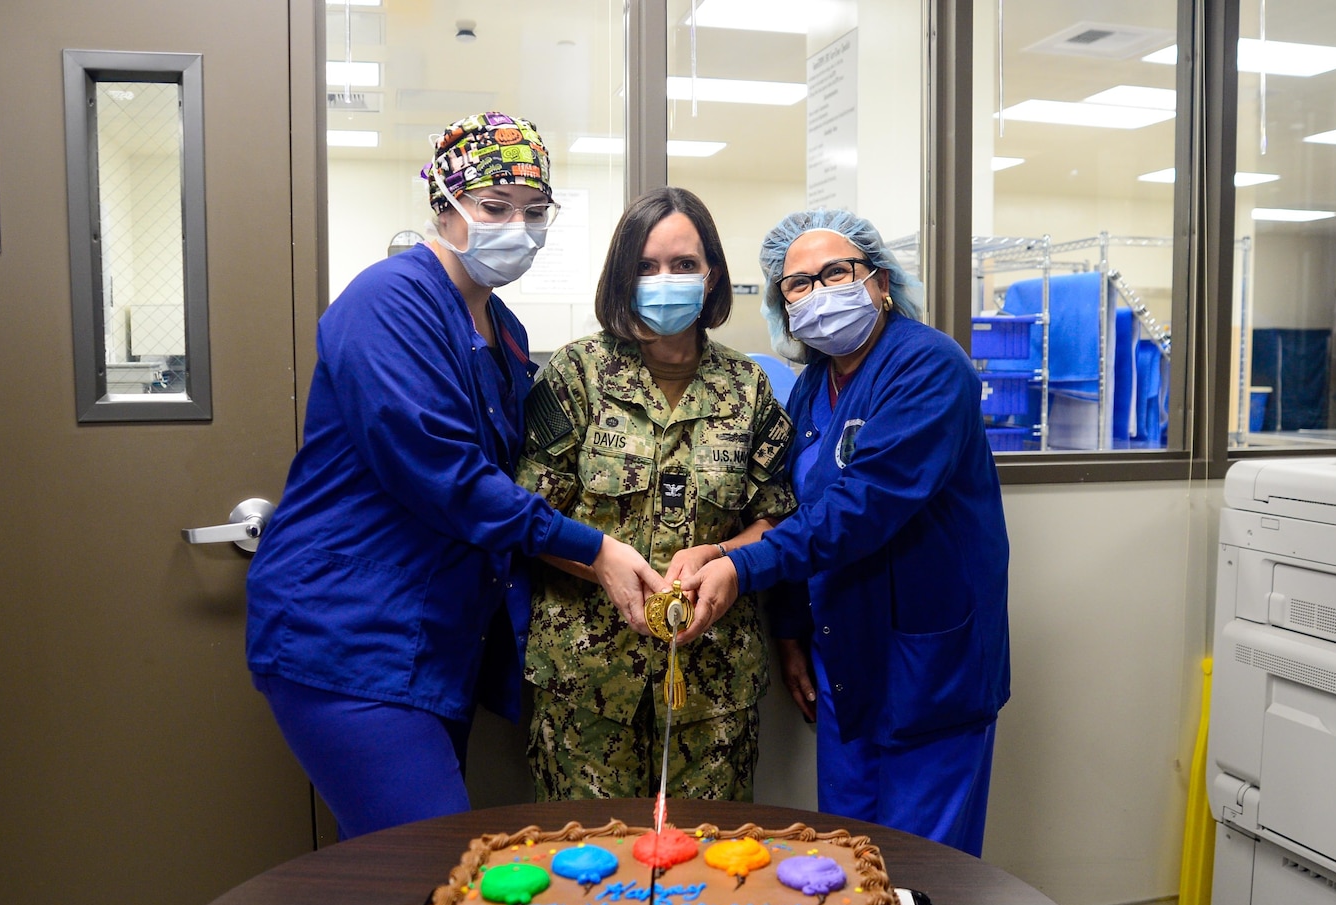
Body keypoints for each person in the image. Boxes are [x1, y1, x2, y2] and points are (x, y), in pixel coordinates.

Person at [245, 113, 664, 839]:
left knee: (402, 879)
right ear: (443, 205)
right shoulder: (387, 302)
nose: (518, 228)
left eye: (535, 212)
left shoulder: (505, 332)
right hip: (350, 636)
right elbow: (445, 474)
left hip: (434, 643)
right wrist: (597, 551)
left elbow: (521, 471)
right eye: (494, 207)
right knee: (430, 871)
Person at [680, 208, 1010, 856]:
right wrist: (791, 633)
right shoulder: (810, 388)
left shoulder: (930, 367)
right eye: (798, 284)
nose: (818, 292)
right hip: (844, 658)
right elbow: (791, 509)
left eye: (836, 272)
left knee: (925, 869)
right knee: (849, 855)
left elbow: (861, 508)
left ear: (879, 282)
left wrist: (735, 565)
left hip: (929, 662)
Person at [515, 186, 797, 802]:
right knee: (588, 870)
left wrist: (727, 564)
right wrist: (606, 568)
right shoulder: (575, 373)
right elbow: (531, 516)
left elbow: (776, 518)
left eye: (683, 265)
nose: (663, 280)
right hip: (587, 683)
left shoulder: (747, 386)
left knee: (709, 874)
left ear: (711, 275)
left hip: (715, 683)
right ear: (621, 277)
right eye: (645, 267)